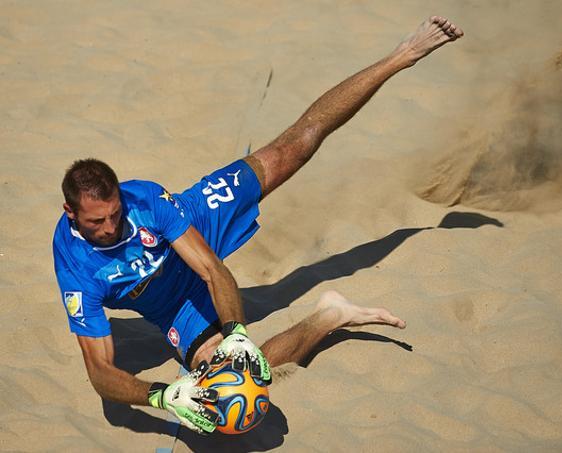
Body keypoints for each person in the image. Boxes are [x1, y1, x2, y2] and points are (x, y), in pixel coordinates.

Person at [52, 16, 464, 434]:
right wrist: (164, 394)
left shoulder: (145, 200)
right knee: (232, 390)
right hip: (173, 306)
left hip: (192, 226)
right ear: (72, 214)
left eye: (115, 214)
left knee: (295, 147)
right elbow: (100, 374)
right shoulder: (77, 268)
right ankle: (329, 315)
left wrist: (235, 332)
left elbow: (212, 269)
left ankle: (401, 55)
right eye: (97, 222)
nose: (110, 226)